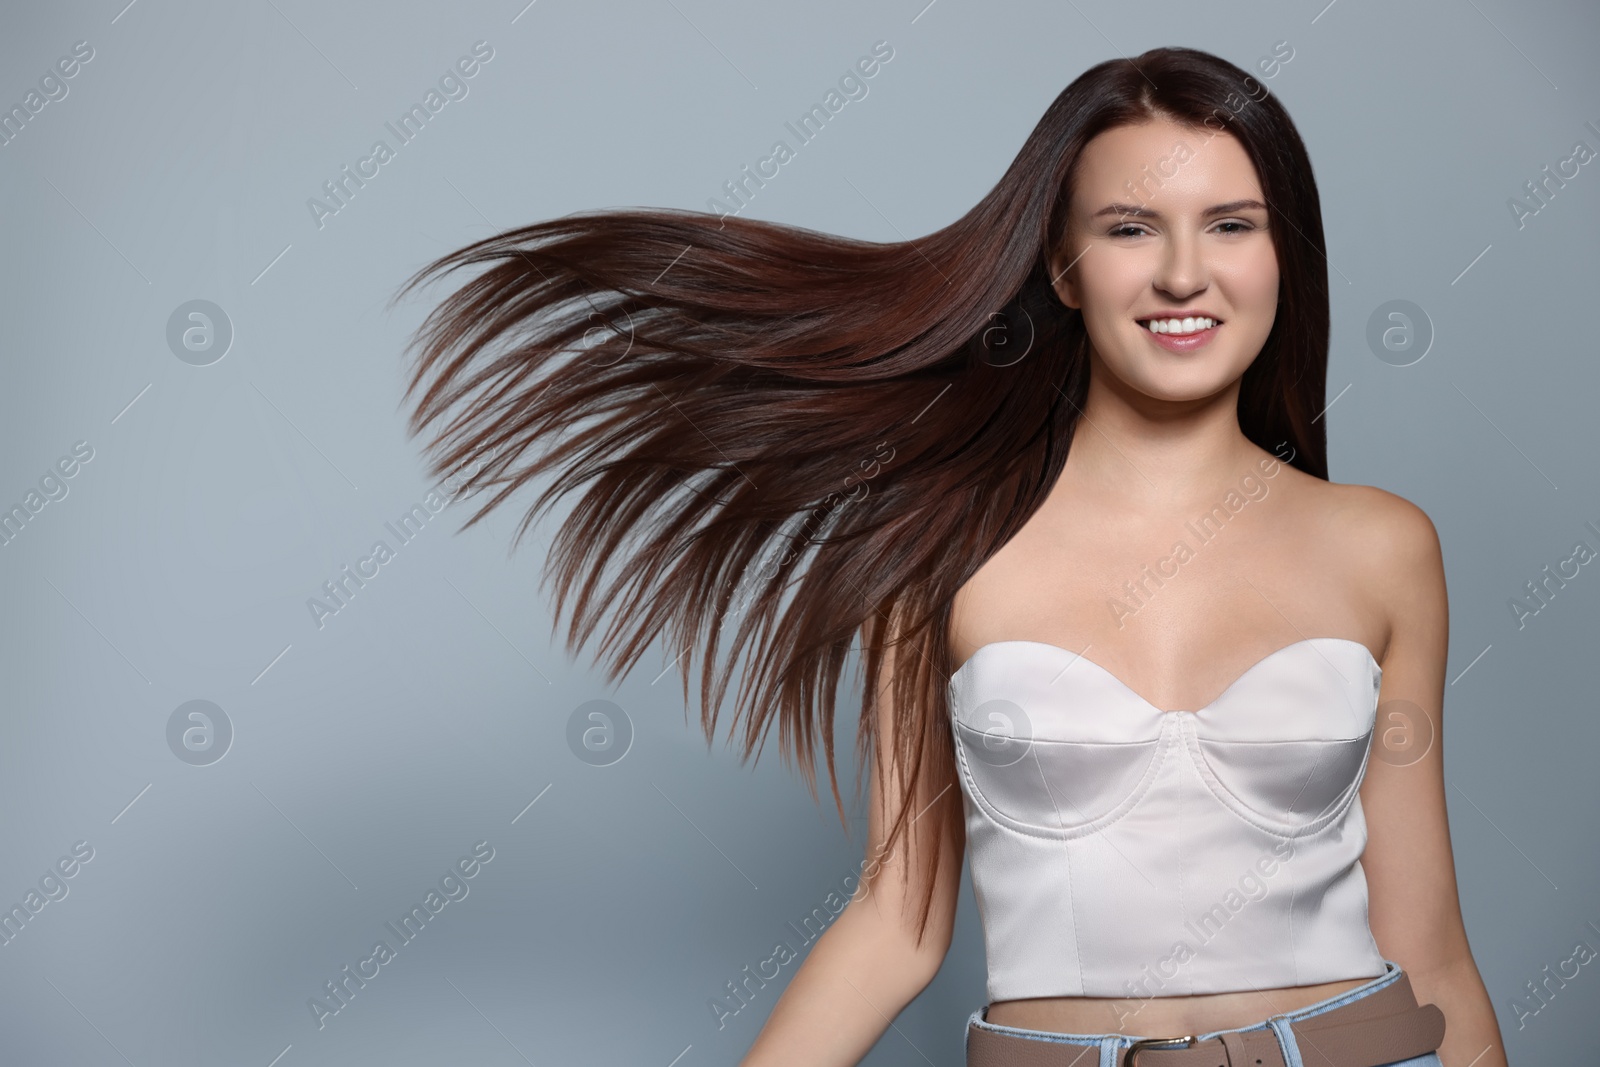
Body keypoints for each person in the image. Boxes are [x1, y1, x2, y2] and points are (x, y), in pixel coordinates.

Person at [394, 45, 1505, 1067]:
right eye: (1128, 228)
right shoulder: (939, 550)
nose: (1182, 274)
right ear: (1062, 269)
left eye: (1230, 224)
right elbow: (896, 921)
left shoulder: (1381, 544)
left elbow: (1430, 942)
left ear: (1283, 254)